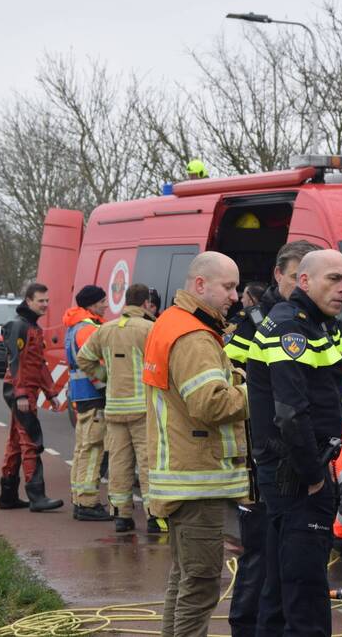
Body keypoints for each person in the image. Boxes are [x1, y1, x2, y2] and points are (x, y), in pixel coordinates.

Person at [142, 251, 250, 637]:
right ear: (200, 285)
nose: (235, 296)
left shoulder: (170, 324)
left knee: (184, 579)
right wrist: (256, 393)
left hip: (181, 476)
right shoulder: (193, 336)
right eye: (229, 286)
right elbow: (209, 403)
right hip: (197, 479)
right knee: (201, 585)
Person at [247, 248, 342, 637]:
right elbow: (290, 413)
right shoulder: (293, 327)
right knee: (305, 592)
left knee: (280, 589)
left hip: (294, 472)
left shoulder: (315, 323)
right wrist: (314, 475)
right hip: (297, 476)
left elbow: (334, 390)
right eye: (334, 279)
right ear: (304, 281)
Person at [224, 240, 321, 637]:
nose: (303, 283)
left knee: (286, 561)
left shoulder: (313, 322)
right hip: (260, 456)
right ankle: (245, 628)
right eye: (297, 275)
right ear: (279, 275)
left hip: (292, 457)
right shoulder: (254, 324)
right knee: (260, 555)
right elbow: (231, 379)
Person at [77, 283, 163, 534]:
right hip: (142, 409)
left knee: (118, 464)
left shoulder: (106, 329)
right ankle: (153, 516)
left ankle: (121, 517)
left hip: (114, 408)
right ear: (146, 303)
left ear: (126, 301)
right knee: (147, 463)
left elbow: (84, 357)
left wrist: (105, 375)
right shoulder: (150, 329)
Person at [0, 282, 65, 513]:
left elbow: (39, 364)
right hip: (20, 390)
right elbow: (14, 362)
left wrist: (51, 393)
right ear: (28, 301)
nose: (46, 305)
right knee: (32, 441)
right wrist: (20, 395)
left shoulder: (32, 327)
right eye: (41, 301)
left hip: (26, 390)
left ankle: (7, 495)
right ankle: (37, 496)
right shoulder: (20, 327)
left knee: (16, 442)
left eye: (47, 300)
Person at [63, 285, 111, 522]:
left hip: (81, 396)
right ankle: (88, 502)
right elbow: (94, 363)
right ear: (92, 305)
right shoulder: (89, 329)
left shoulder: (74, 327)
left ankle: (79, 497)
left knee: (83, 448)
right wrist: (108, 385)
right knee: (93, 450)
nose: (106, 305)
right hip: (94, 396)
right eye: (102, 301)